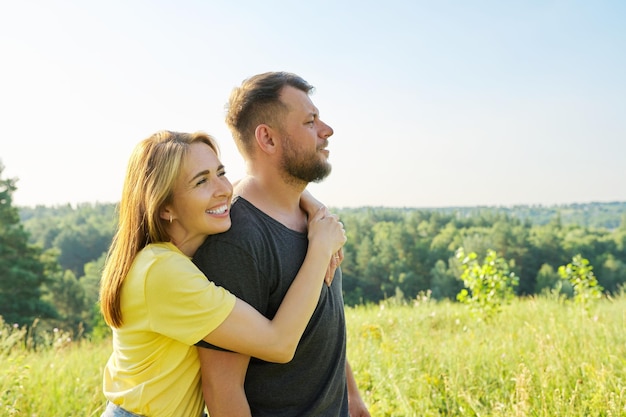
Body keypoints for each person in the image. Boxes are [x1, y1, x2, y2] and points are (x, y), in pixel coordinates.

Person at [99, 130, 346, 417]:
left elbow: (254, 184)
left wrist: (314, 206)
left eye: (221, 173)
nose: (223, 189)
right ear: (165, 207)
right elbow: (278, 343)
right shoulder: (162, 272)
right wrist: (320, 246)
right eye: (201, 181)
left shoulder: (174, 256)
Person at [193, 72, 371, 416]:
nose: (327, 130)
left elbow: (318, 319)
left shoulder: (316, 222)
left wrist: (350, 394)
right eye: (310, 121)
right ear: (268, 139)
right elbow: (222, 387)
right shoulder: (236, 240)